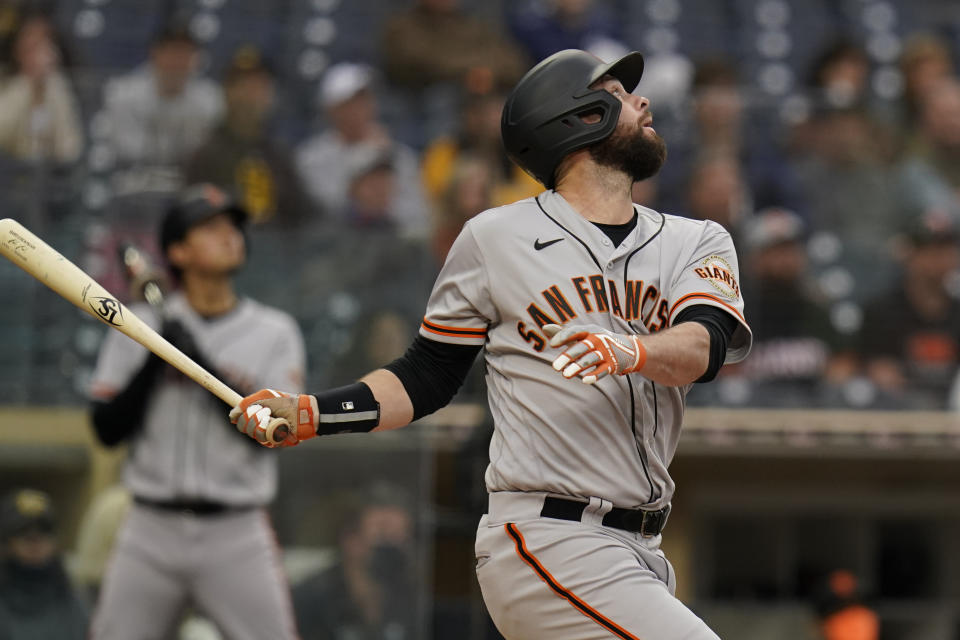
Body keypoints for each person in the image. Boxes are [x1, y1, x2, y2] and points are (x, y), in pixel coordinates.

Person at [230, 49, 751, 639]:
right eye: (617, 92)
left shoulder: (697, 240)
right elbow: (425, 376)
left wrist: (632, 350)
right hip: (547, 538)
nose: (642, 100)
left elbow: (702, 348)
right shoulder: (494, 238)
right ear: (577, 118)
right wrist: (311, 412)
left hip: (644, 550)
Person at [87, 183, 305, 640]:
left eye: (233, 226)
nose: (230, 235)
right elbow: (106, 430)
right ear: (178, 252)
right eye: (210, 228)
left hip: (237, 531)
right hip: (150, 526)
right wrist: (155, 356)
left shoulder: (274, 331)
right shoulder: (138, 326)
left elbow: (275, 433)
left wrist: (196, 361)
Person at [295, 62, 427, 236]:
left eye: (364, 99)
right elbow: (320, 214)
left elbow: (419, 216)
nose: (358, 109)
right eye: (349, 102)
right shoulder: (310, 159)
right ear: (331, 109)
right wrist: (362, 159)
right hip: (336, 248)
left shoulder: (399, 156)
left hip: (393, 247)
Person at [184, 46, 311, 226]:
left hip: (276, 249)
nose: (251, 95)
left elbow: (304, 213)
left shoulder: (279, 157)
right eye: (243, 85)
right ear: (227, 92)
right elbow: (190, 217)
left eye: (259, 86)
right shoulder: (205, 155)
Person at [857, 210, 960, 410]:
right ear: (909, 254)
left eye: (945, 249)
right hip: (898, 415)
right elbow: (878, 371)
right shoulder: (882, 311)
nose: (937, 259)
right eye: (928, 250)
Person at [102, 23, 222, 187]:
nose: (178, 61)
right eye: (172, 51)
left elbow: (206, 154)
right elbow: (126, 150)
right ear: (155, 53)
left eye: (185, 53)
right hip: (135, 182)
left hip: (190, 183)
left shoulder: (210, 99)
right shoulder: (124, 93)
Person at [292, 485, 418, 639]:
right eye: (383, 534)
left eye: (400, 537)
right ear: (351, 539)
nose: (393, 546)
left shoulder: (412, 600)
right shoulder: (309, 601)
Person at [0, 488, 88, 640]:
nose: (36, 542)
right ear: (6, 543)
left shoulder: (73, 602)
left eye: (44, 532)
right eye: (24, 534)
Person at [0, 12, 83, 165]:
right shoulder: (7, 82)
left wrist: (44, 88)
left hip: (50, 178)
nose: (41, 54)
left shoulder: (57, 86)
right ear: (18, 49)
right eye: (33, 46)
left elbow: (70, 148)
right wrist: (28, 84)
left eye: (46, 43)